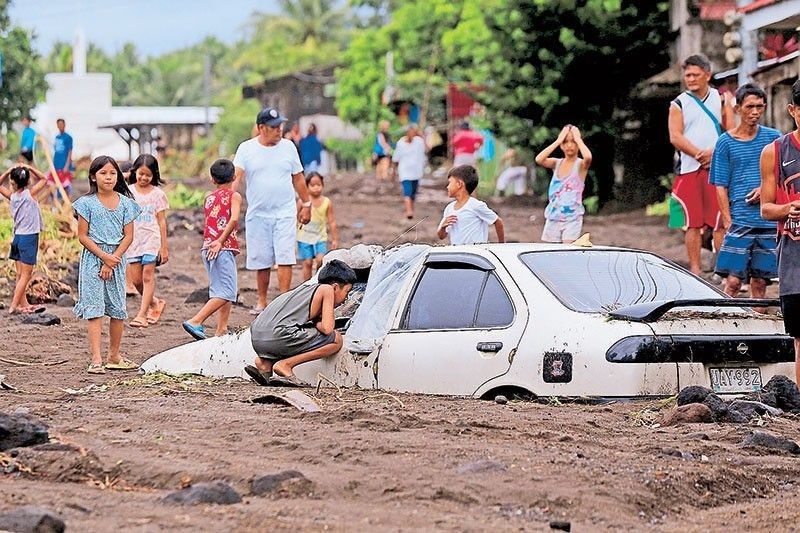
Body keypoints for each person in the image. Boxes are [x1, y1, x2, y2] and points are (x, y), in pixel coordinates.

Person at [233, 107, 312, 314]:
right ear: (261, 128)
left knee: (285, 256)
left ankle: (284, 300)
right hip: (258, 213)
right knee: (262, 259)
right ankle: (262, 300)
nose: (279, 130)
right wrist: (227, 200)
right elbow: (237, 177)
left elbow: (298, 178)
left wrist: (307, 204)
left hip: (285, 211)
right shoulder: (246, 149)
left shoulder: (288, 147)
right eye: (274, 127)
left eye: (280, 126)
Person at [711, 83, 781, 303]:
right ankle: (723, 324)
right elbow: (719, 184)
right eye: (750, 106)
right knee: (732, 282)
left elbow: (784, 174)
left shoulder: (774, 138)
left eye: (759, 107)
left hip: (768, 220)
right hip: (740, 219)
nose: (755, 112)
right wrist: (727, 220)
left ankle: (757, 331)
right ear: (737, 108)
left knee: (760, 282)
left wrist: (765, 189)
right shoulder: (725, 143)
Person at [72, 156, 141, 374]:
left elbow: (128, 236)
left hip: (117, 260)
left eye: (112, 173)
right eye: (103, 173)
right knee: (95, 309)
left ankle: (114, 355)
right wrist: (104, 257)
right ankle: (96, 359)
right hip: (93, 259)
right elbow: (82, 236)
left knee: (117, 309)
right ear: (93, 177)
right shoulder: (86, 203)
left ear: (118, 176)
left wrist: (113, 260)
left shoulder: (127, 204)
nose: (108, 177)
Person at [668, 54, 734, 275]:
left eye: (696, 74)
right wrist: (698, 154)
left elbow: (731, 132)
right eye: (687, 75)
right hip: (688, 168)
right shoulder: (678, 103)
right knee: (691, 222)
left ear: (708, 74)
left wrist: (714, 153)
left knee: (719, 220)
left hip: (717, 167)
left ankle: (720, 270)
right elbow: (675, 137)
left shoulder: (722, 99)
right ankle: (695, 269)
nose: (691, 79)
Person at [244, 259, 356, 387]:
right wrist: (318, 323)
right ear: (335, 287)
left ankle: (265, 363)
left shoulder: (304, 290)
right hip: (278, 335)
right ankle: (286, 365)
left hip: (257, 337)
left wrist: (316, 322)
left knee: (296, 335)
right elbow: (327, 329)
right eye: (347, 292)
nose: (346, 299)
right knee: (336, 339)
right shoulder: (327, 290)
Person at [760, 78, 800, 384]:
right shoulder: (776, 151)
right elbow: (766, 208)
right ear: (792, 110)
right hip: (794, 259)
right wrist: (788, 209)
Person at [183, 159, 242, 340]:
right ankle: (195, 320)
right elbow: (233, 219)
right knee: (228, 292)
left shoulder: (209, 197)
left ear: (212, 179)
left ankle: (221, 329)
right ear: (234, 177)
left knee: (221, 290)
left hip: (208, 248)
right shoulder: (234, 196)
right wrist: (221, 241)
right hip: (220, 248)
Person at [126, 155, 169, 328]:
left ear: (154, 175)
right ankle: (155, 303)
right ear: (135, 171)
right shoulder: (128, 192)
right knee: (136, 280)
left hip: (152, 239)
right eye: (140, 173)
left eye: (148, 175)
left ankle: (142, 315)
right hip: (134, 240)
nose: (144, 178)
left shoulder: (158, 194)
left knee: (147, 276)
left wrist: (164, 247)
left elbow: (161, 221)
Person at [0, 164, 48, 314]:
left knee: (20, 275)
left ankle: (23, 304)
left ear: (12, 182)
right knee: (26, 275)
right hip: (29, 238)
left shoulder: (13, 197)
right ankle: (14, 306)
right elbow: (44, 178)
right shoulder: (30, 194)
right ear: (28, 182)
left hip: (18, 237)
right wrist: (29, 167)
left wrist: (8, 170)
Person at [535, 125, 593, 243]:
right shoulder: (556, 163)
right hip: (553, 217)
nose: (570, 145)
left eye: (573, 142)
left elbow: (588, 157)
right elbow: (539, 159)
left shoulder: (580, 165)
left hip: (572, 218)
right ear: (561, 145)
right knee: (550, 252)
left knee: (567, 251)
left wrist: (578, 139)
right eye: (566, 142)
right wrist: (558, 141)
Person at [437, 165, 505, 245]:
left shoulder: (476, 205)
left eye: (450, 183)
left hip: (475, 254)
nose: (447, 187)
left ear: (459, 184)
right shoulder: (449, 208)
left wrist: (501, 245)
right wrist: (442, 227)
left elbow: (498, 222)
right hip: (457, 254)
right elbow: (441, 236)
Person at [297, 171, 339, 281]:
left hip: (320, 237)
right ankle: (306, 285)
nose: (316, 188)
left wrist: (335, 239)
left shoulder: (326, 202)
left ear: (322, 185)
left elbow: (332, 222)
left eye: (318, 185)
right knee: (307, 262)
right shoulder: (302, 202)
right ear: (307, 186)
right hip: (304, 237)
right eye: (312, 185)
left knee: (321, 259)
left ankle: (317, 279)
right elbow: (296, 219)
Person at [392, 123, 427, 219]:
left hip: (416, 171)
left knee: (413, 193)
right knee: (407, 191)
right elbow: (396, 158)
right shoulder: (401, 143)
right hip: (405, 171)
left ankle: (411, 209)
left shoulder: (419, 142)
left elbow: (427, 149)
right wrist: (393, 171)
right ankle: (409, 211)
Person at [49, 118, 74, 197]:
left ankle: (67, 203)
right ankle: (57, 202)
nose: (60, 126)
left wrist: (67, 165)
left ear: (64, 125)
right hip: (56, 164)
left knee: (65, 184)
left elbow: (70, 152)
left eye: (61, 124)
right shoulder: (57, 137)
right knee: (55, 183)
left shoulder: (68, 137)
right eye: (58, 125)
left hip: (64, 164)